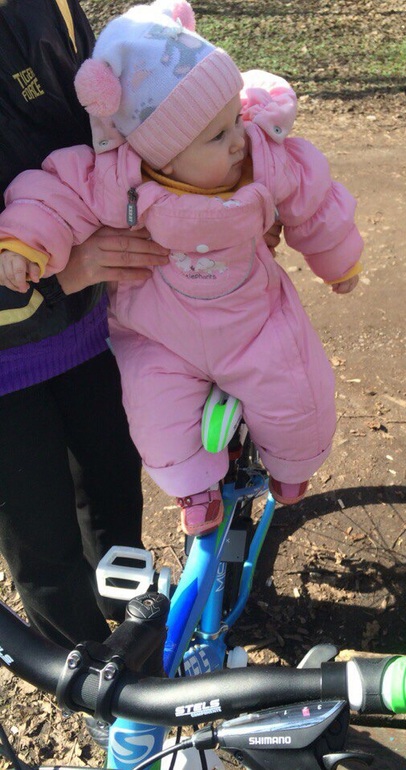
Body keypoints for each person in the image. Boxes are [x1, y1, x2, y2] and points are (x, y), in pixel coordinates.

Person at [0, 0, 363, 538]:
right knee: (155, 412)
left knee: (295, 390)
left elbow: (314, 199)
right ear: (160, 157)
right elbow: (53, 195)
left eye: (235, 119)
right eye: (217, 137)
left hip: (253, 319)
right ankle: (192, 487)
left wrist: (338, 259)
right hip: (158, 333)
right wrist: (25, 244)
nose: (238, 140)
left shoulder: (259, 156)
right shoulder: (119, 177)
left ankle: (292, 466)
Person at [0, 0, 171, 652]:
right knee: (43, 545)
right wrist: (55, 275)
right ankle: (86, 679)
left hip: (87, 331)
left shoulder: (46, 10)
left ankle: (132, 629)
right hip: (7, 371)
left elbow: (116, 134)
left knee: (112, 490)